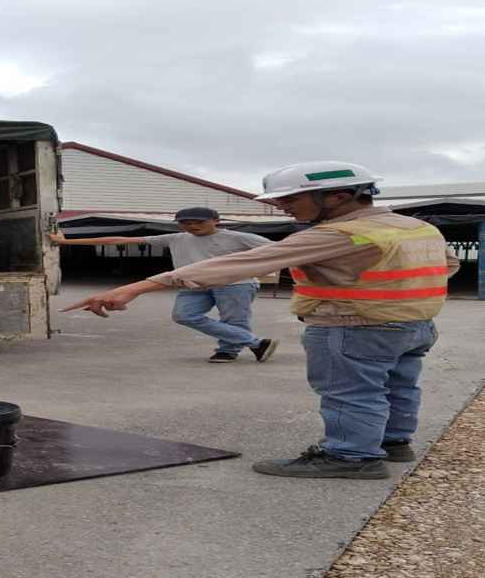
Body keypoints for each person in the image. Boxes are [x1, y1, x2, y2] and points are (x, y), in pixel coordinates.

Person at [63, 161, 459, 479]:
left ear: (338, 196)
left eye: (292, 198)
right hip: (415, 325)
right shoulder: (417, 227)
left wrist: (136, 287)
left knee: (351, 392)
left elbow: (241, 263)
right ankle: (393, 443)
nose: (282, 206)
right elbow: (448, 266)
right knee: (400, 385)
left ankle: (351, 456)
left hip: (354, 326)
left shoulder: (336, 234)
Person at [50, 207, 278, 363]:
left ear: (216, 221)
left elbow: (276, 251)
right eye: (185, 222)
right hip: (191, 284)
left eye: (199, 222)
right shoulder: (176, 238)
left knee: (234, 320)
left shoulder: (237, 237)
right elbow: (119, 240)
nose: (192, 226)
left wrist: (256, 269)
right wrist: (67, 242)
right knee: (184, 315)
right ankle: (256, 343)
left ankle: (228, 351)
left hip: (234, 283)